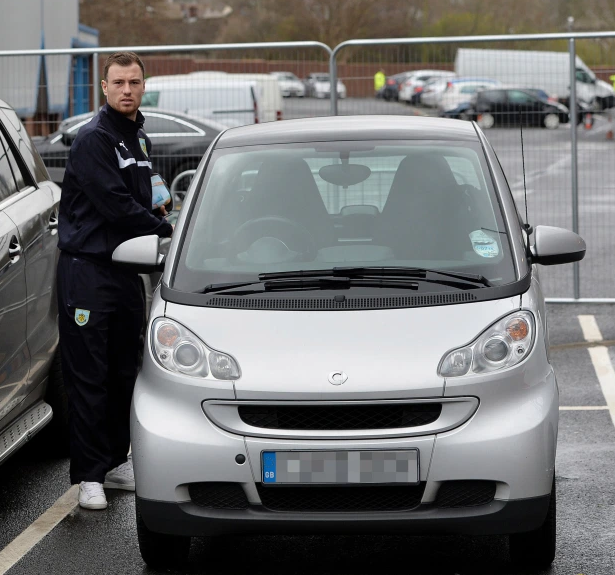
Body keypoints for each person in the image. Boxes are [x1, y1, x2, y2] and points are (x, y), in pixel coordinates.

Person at [57, 51, 173, 510]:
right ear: (103, 88)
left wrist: (162, 210)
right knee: (90, 374)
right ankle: (89, 477)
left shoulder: (137, 138)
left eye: (135, 83)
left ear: (144, 86)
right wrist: (171, 230)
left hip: (128, 271)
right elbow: (116, 207)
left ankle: (115, 459)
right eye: (119, 82)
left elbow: (146, 197)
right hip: (88, 272)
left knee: (127, 369)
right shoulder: (94, 140)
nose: (128, 90)